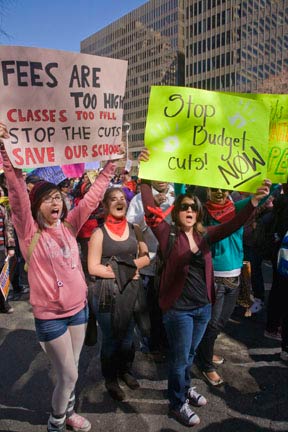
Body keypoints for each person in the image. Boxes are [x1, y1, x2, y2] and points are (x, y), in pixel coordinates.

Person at [0, 121, 121, 432]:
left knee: (74, 369)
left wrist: (110, 168)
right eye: (48, 198)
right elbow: (16, 193)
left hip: (78, 312)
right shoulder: (30, 234)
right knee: (68, 374)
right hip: (51, 317)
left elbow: (93, 198)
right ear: (37, 206)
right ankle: (57, 422)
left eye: (58, 197)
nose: (56, 202)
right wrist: (4, 149)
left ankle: (67, 413)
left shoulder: (69, 226)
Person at [138, 147, 271, 427]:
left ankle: (185, 388)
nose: (188, 210)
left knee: (188, 355)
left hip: (203, 308)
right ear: (177, 212)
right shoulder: (167, 234)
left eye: (192, 208)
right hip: (179, 311)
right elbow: (150, 208)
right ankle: (177, 403)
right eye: (184, 207)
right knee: (178, 357)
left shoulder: (206, 234)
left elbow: (235, 221)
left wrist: (255, 201)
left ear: (199, 214)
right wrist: (144, 176)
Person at [196, 186, 271, 386]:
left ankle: (206, 351)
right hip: (213, 276)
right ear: (207, 191)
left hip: (235, 275)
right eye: (214, 189)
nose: (219, 192)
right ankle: (205, 364)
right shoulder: (201, 212)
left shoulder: (237, 208)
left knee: (220, 323)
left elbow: (265, 195)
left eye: (223, 189)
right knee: (212, 324)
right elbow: (180, 193)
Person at [87, 186, 150, 401]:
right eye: (113, 199)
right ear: (105, 205)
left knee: (128, 338)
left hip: (131, 292)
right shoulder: (99, 233)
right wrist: (126, 271)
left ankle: (125, 371)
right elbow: (93, 268)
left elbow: (146, 257)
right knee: (112, 338)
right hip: (107, 294)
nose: (118, 201)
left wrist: (125, 268)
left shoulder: (135, 229)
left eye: (122, 198)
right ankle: (111, 379)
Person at [126, 180, 175, 359]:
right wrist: (151, 208)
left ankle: (169, 341)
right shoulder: (139, 199)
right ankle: (153, 345)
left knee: (171, 307)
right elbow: (130, 227)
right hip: (149, 263)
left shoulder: (178, 194)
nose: (162, 179)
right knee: (150, 310)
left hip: (172, 264)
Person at [0, 173, 16, 313]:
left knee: (3, 276)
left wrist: (11, 246)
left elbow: (8, 226)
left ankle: (3, 304)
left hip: (1, 248)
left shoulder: (3, 208)